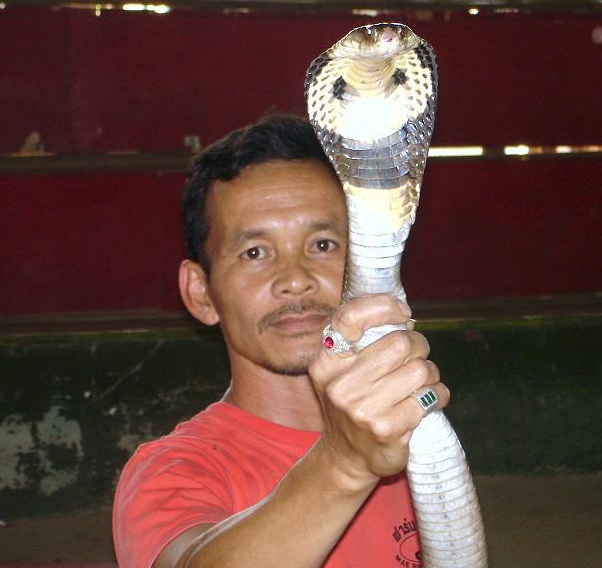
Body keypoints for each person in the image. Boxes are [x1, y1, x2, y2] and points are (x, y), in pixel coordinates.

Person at [113, 114, 448, 567]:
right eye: (255, 253)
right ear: (201, 293)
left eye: (323, 245)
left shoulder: (413, 439)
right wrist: (345, 462)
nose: (295, 280)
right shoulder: (173, 471)